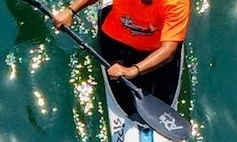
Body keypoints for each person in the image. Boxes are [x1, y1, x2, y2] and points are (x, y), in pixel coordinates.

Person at [52, 0, 189, 118]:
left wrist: (133, 70)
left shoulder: (176, 3)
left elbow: (169, 51)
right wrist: (70, 10)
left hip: (154, 54)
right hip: (115, 42)